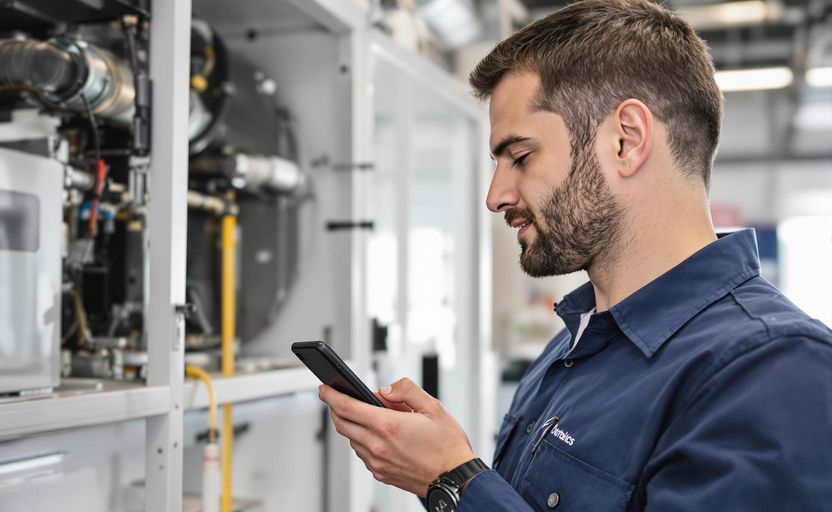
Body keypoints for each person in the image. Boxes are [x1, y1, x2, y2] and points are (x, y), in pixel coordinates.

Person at [318, 0, 832, 510]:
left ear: (627, 141)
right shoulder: (568, 351)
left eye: (520, 157)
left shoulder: (776, 371)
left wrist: (453, 479)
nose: (495, 196)